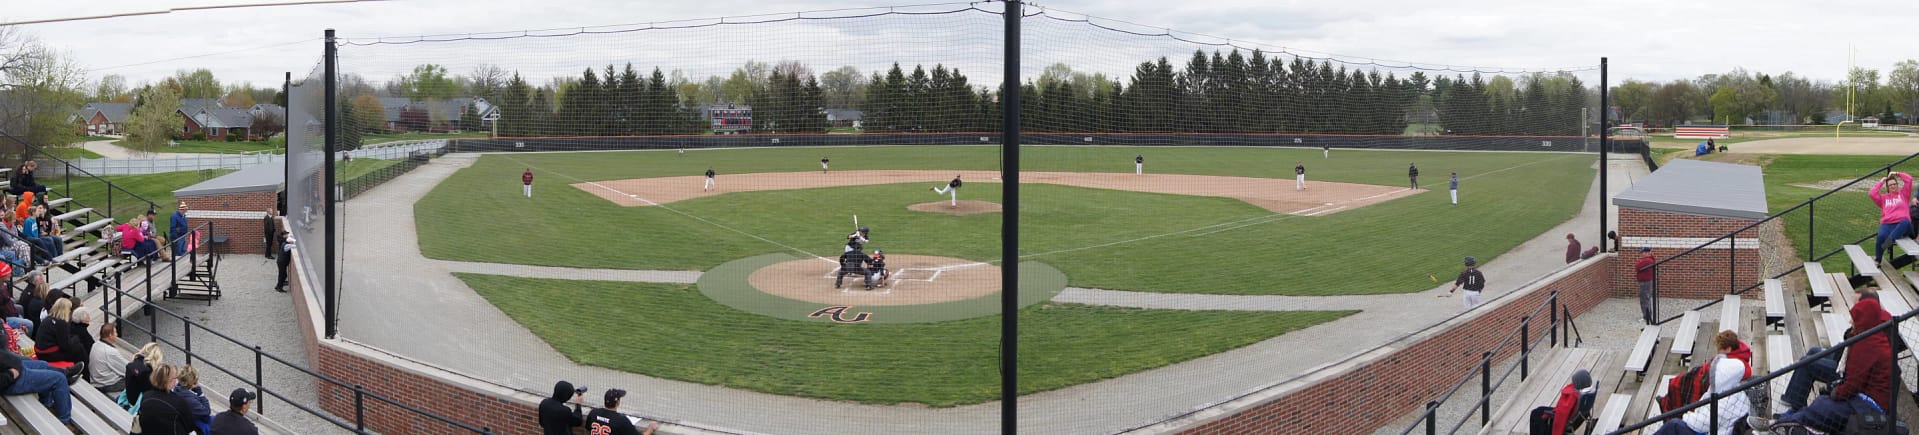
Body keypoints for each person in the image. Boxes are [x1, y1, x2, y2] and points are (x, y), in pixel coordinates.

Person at [1772, 288, 1893, 431]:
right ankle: (1793, 413)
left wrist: (1836, 392)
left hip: (1861, 394)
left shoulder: (1868, 343)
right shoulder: (1873, 327)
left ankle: (1787, 420)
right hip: (1845, 364)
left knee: (1808, 365)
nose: (1852, 311)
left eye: (1856, 307)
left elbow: (1854, 380)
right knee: (1814, 352)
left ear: (1866, 309)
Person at [1651, 331, 1750, 435]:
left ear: (1728, 349)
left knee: (1673, 425)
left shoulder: (1725, 396)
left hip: (1708, 430)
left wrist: (1685, 417)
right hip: (1710, 425)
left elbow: (1703, 422)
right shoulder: (1733, 387)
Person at [0, 340, 75, 429]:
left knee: (43, 364)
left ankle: (46, 404)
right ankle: (63, 423)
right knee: (59, 379)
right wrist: (11, 374)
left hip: (14, 367)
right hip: (13, 380)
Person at [137, 364, 197, 435]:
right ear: (170, 381)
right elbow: (190, 426)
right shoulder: (179, 402)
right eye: (175, 378)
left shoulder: (146, 396)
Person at [1527, 369, 1591, 435]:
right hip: (1571, 418)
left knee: (1535, 414)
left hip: (1563, 419)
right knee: (1539, 410)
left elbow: (1562, 415)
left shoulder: (1571, 396)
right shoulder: (1585, 395)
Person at [1868, 171, 1913, 263]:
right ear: (1887, 187)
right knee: (1880, 236)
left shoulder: (1904, 194)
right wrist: (1881, 182)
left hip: (1904, 226)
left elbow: (1909, 179)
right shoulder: (1883, 199)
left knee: (1905, 222)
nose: (1892, 186)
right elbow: (1872, 194)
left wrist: (1897, 173)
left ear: (1897, 184)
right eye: (1890, 185)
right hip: (1888, 225)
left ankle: (1888, 243)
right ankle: (1878, 259)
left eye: (1894, 184)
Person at [33, 299, 88, 367]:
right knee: (78, 348)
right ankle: (84, 370)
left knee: (76, 345)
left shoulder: (48, 319)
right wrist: (76, 338)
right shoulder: (61, 323)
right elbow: (66, 346)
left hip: (39, 351)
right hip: (47, 354)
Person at [586, 388, 659, 435]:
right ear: (617, 402)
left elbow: (587, 431)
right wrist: (650, 429)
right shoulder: (621, 420)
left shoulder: (593, 413)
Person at [123, 343, 164, 411]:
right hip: (139, 404)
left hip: (131, 399)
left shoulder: (131, 365)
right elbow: (150, 392)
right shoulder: (148, 371)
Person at [173, 365, 213, 434]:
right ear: (193, 382)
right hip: (195, 424)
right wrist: (200, 394)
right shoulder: (189, 399)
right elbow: (207, 411)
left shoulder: (176, 390)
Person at [90, 323, 129, 393]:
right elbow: (126, 369)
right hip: (105, 384)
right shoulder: (110, 352)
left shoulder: (95, 345)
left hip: (96, 379)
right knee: (135, 378)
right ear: (110, 335)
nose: (117, 334)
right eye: (115, 332)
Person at [1635, 247, 1657, 324]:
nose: (1641, 254)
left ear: (1647, 253)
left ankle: (1646, 317)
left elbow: (1637, 266)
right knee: (1646, 298)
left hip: (1645, 282)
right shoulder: (1649, 260)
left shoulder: (1648, 260)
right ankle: (1647, 315)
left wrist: (1639, 262)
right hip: (1646, 281)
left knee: (1644, 299)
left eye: (1643, 252)